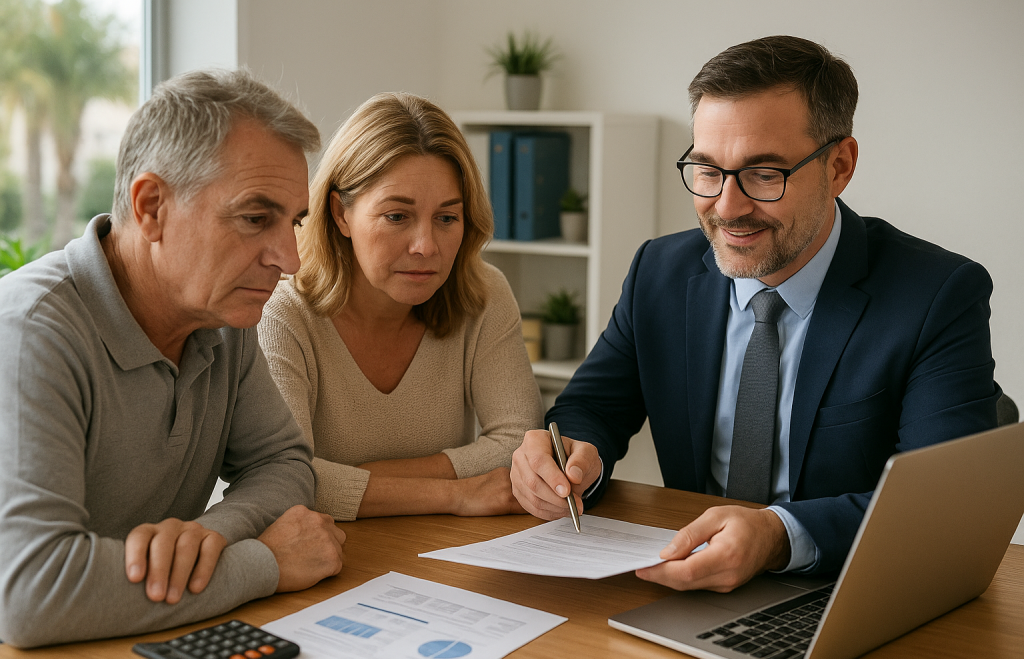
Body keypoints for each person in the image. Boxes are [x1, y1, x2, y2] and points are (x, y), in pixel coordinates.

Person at [510, 36, 999, 591]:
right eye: (707, 169)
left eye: (764, 174)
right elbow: (594, 406)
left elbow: (941, 506)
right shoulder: (660, 272)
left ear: (839, 166)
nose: (727, 206)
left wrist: (778, 537)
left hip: (850, 595)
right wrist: (570, 456)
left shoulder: (936, 294)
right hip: (684, 586)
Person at [0, 69, 347, 648]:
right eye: (256, 219)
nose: (289, 259)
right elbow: (33, 594)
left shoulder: (221, 315)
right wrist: (261, 563)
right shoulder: (31, 332)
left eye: (293, 223)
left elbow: (284, 463)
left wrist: (208, 534)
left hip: (134, 644)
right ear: (151, 206)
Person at [257, 93, 543, 521]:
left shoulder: (483, 292)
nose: (426, 247)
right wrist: (456, 494)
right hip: (328, 560)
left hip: (447, 553)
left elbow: (520, 445)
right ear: (339, 214)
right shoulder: (281, 314)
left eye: (447, 218)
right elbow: (285, 482)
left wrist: (356, 480)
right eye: (396, 216)